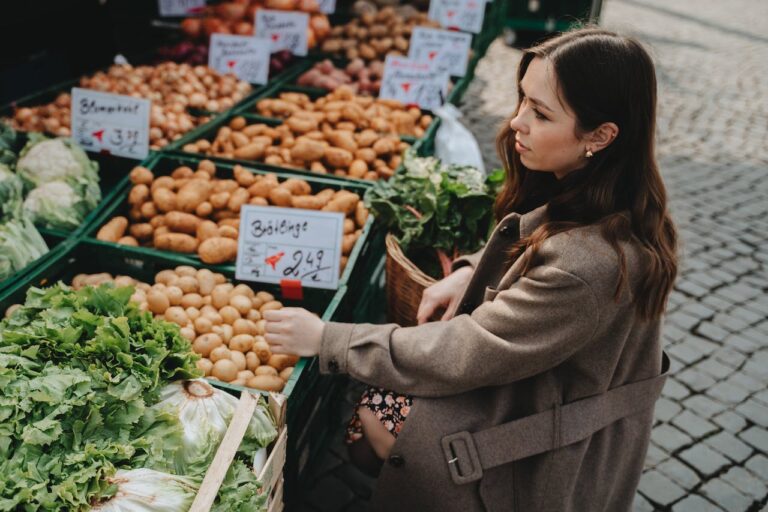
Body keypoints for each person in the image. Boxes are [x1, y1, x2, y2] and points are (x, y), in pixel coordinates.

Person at [264, 27, 678, 512]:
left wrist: (328, 340)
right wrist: (470, 270)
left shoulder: (588, 265)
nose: (517, 122)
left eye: (541, 113)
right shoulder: (605, 193)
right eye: (523, 100)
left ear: (601, 136)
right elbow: (534, 248)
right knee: (379, 405)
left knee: (375, 416)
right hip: (539, 392)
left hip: (545, 452)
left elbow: (469, 349)